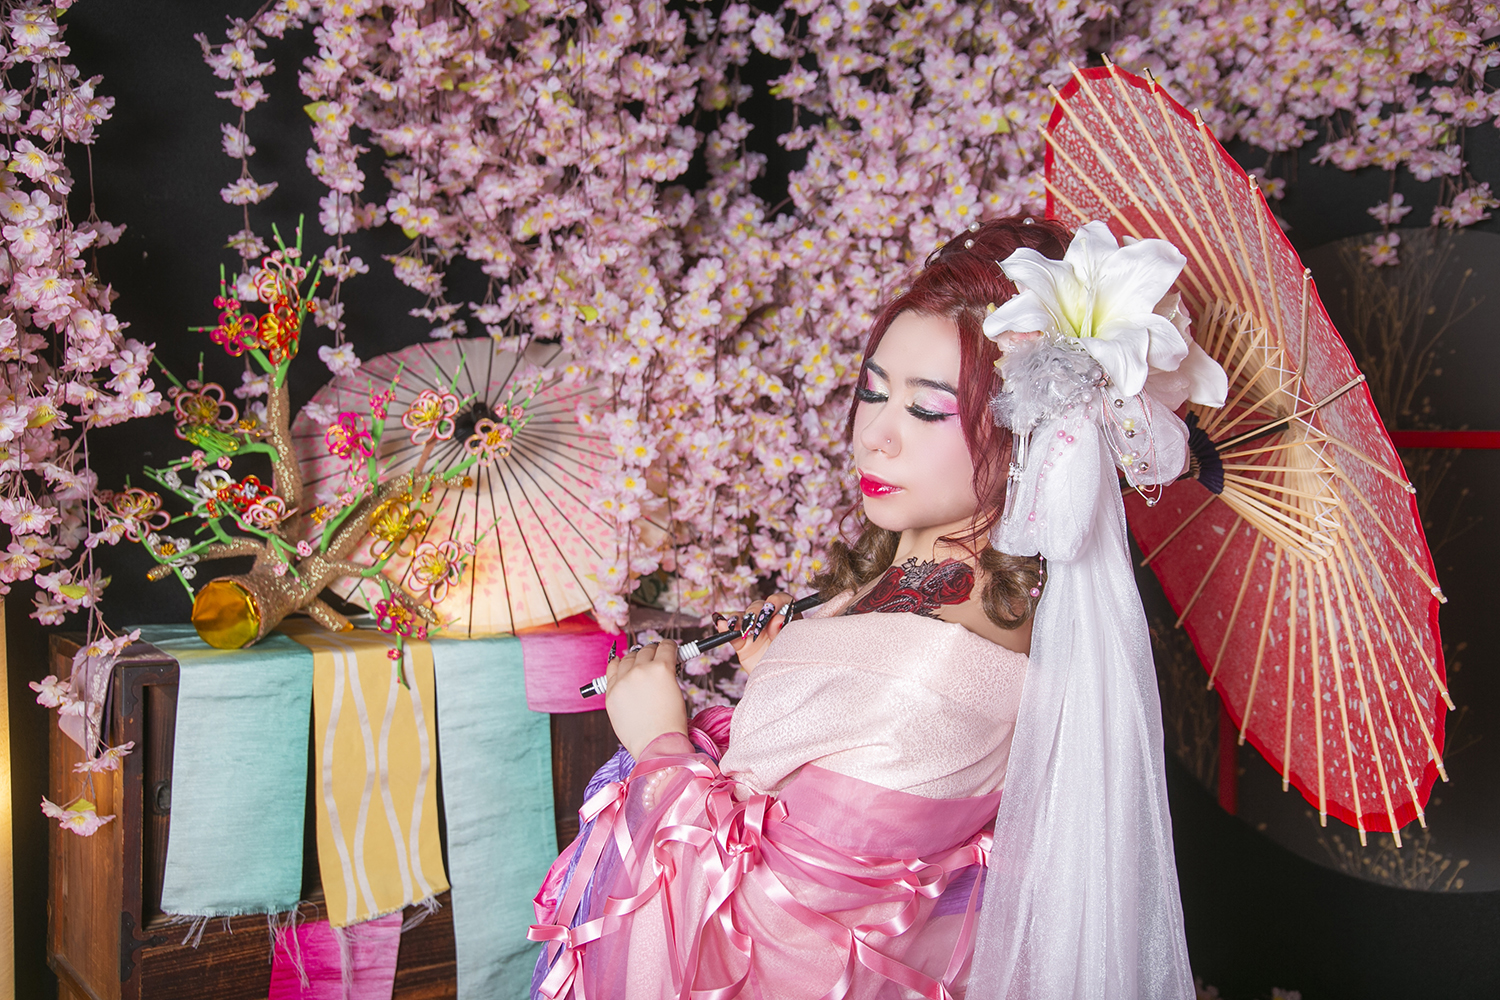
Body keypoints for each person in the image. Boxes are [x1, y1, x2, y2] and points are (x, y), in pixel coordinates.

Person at [530, 215, 1203, 999]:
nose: (874, 436)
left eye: (926, 411)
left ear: (1031, 432)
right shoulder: (923, 585)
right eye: (872, 392)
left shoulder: (931, 670)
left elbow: (777, 937)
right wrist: (789, 675)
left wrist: (659, 746)